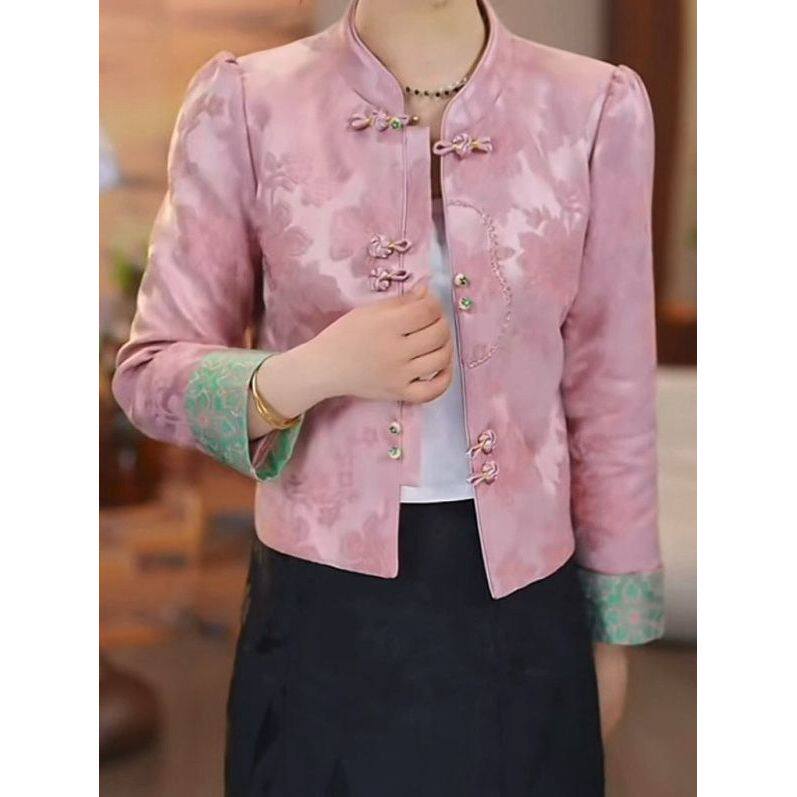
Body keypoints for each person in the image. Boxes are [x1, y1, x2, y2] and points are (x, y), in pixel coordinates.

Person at [112, 0, 665, 793]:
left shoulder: (594, 107)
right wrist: (315, 370)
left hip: (524, 611)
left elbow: (612, 390)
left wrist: (613, 635)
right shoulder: (246, 102)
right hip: (320, 615)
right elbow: (150, 372)